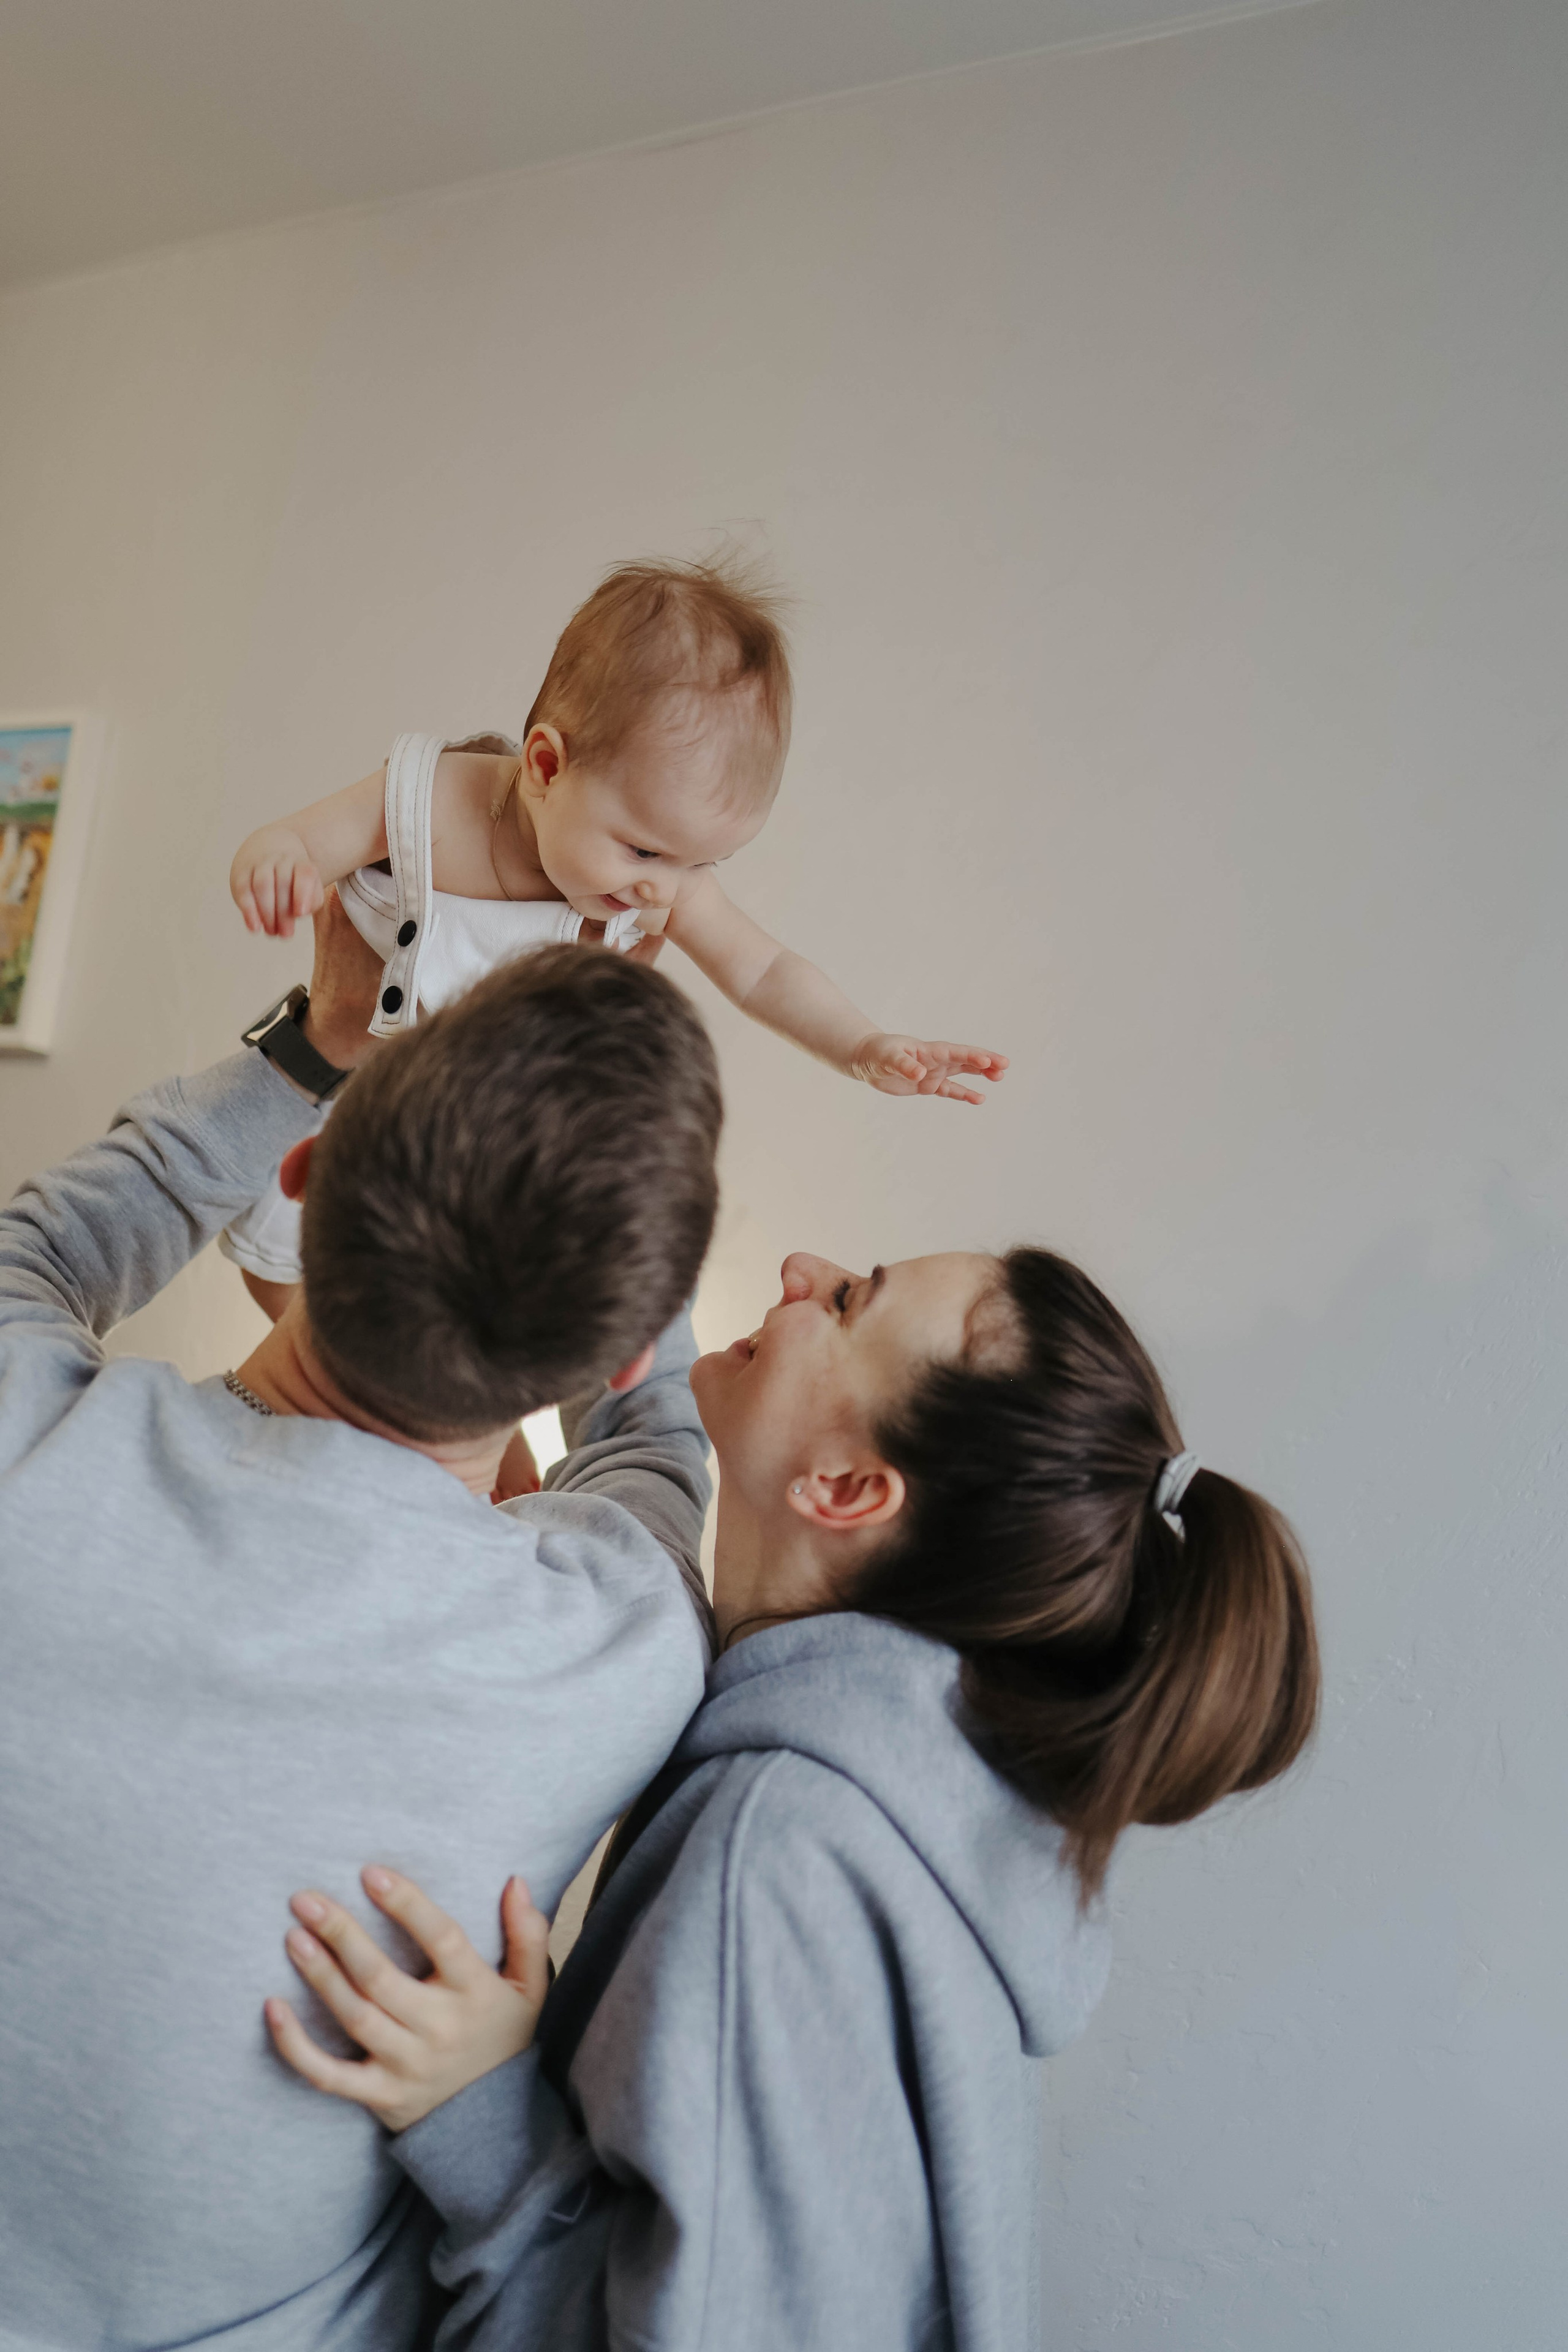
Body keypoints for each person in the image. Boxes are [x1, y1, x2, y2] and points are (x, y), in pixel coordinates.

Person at [263, 1241, 1322, 2350]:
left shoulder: (778, 1850)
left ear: (847, 1488)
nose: (802, 1268)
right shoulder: (927, 1779)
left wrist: (484, 2116)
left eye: (854, 1299)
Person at [0, 893, 723, 2351]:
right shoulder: (610, 1655)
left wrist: (313, 1036)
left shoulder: (25, 1443)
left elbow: (58, 1237)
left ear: (306, 1178)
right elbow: (653, 1448)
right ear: (621, 1343)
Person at [222, 557, 1006, 1302]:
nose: (659, 887)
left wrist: (861, 1048)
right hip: (343, 1105)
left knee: (458, 1324)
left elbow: (763, 973)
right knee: (281, 1269)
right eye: (643, 848)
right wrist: (276, 866)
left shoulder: (661, 887)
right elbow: (293, 840)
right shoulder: (429, 800)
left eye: (703, 863)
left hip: (480, 1154)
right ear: (545, 766)